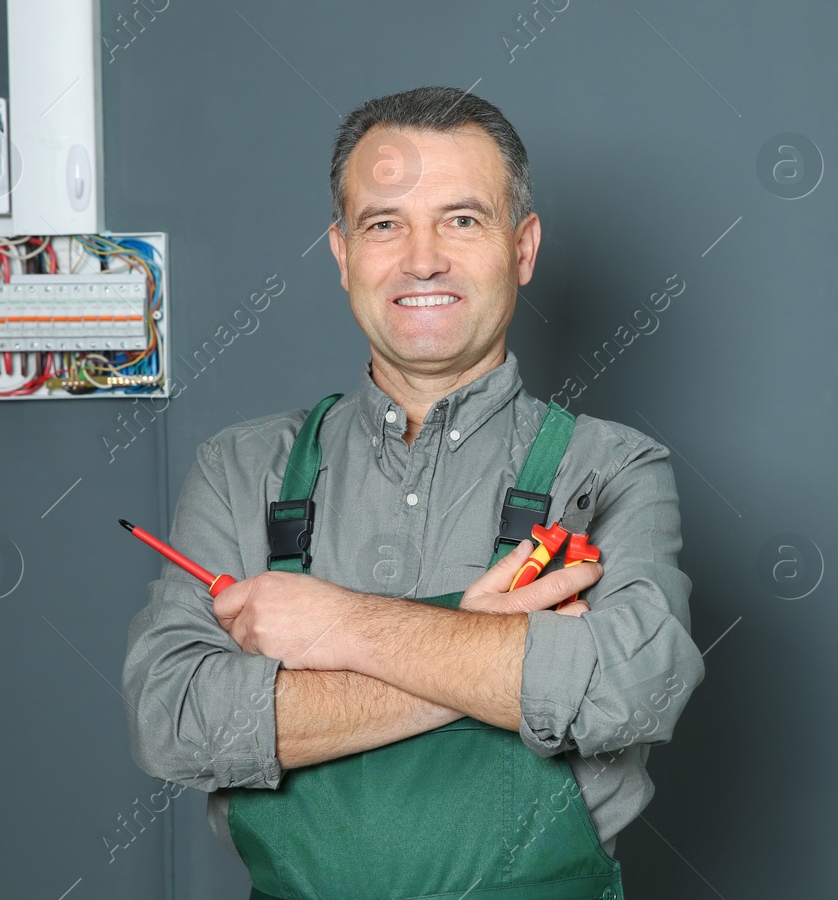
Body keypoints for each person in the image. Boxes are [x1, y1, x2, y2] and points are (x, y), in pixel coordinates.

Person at [121, 85, 704, 900]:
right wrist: (482, 646)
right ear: (341, 252)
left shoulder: (610, 469)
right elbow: (179, 721)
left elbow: (632, 690)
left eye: (462, 219)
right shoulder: (242, 468)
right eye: (384, 223)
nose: (421, 257)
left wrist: (338, 623)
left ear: (524, 246)